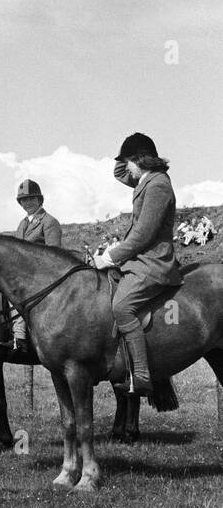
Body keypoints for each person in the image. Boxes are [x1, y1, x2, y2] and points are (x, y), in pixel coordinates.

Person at [92, 134, 182, 396]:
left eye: (129, 161)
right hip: (139, 260)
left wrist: (109, 257)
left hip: (153, 263)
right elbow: (121, 172)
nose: (126, 167)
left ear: (140, 160)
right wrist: (126, 150)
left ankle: (141, 374)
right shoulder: (144, 180)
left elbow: (144, 234)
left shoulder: (158, 185)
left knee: (121, 306)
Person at [8, 179, 63, 353]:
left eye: (31, 199)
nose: (27, 203)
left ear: (40, 200)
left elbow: (54, 255)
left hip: (41, 276)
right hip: (21, 274)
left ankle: (20, 337)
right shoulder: (22, 224)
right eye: (23, 200)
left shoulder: (49, 222)